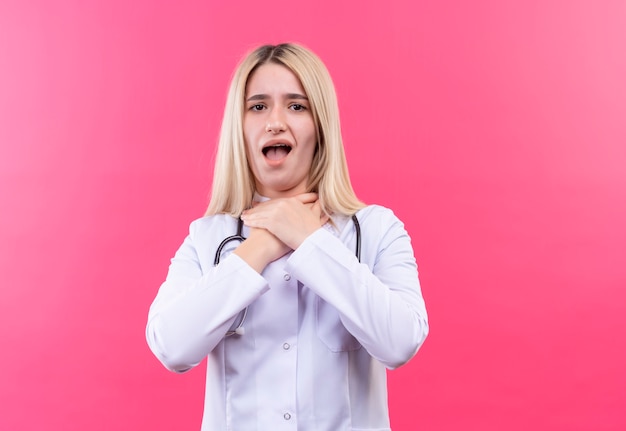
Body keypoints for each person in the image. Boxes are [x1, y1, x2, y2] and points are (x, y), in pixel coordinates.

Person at [146, 42, 428, 430]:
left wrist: (311, 241)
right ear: (240, 128)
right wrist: (261, 247)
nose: (275, 121)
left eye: (296, 106)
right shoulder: (208, 238)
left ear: (320, 126)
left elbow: (400, 343)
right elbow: (171, 347)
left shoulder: (377, 229)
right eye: (258, 106)